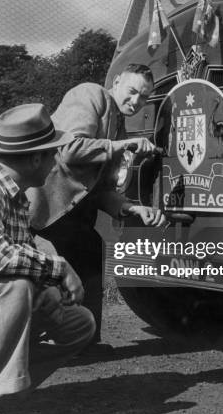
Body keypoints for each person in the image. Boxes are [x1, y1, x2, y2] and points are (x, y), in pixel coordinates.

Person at [0, 104, 96, 414]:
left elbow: (15, 259)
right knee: (11, 287)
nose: (55, 164)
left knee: (78, 324)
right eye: (52, 154)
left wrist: (42, 285)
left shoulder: (13, 197)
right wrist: (56, 268)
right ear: (34, 159)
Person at [28, 64, 165, 343]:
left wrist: (130, 208)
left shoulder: (118, 124)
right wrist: (122, 146)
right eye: (132, 91)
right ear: (116, 82)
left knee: (90, 249)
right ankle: (58, 339)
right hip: (42, 210)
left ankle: (84, 340)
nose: (136, 101)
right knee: (52, 269)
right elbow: (69, 149)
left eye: (144, 97)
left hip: (69, 213)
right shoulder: (91, 94)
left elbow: (99, 188)